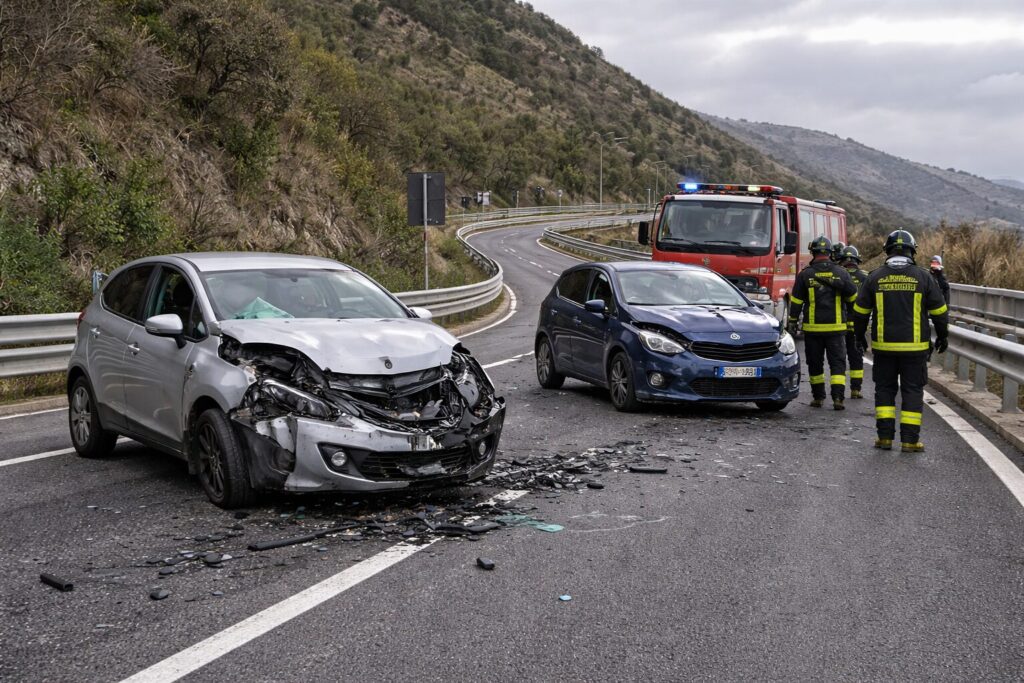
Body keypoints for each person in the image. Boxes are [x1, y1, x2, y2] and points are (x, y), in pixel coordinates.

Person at [853, 229, 949, 453]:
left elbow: (859, 312)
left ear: (887, 251)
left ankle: (884, 438)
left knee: (884, 390)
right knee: (912, 391)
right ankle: (909, 441)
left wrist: (859, 338)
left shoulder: (874, 277)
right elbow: (940, 312)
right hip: (915, 350)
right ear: (912, 251)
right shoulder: (924, 277)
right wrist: (943, 337)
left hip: (884, 349)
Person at [788, 236, 858, 409]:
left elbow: (796, 302)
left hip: (813, 330)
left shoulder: (805, 274)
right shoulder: (841, 273)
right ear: (830, 253)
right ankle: (838, 399)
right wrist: (851, 321)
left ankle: (818, 398)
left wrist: (792, 322)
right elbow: (853, 298)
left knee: (815, 363)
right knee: (837, 364)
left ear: (813, 252)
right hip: (836, 329)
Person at [839, 245, 870, 398]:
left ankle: (838, 392)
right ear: (857, 260)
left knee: (838, 358)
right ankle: (855, 390)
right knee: (856, 357)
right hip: (858, 325)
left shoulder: (838, 275)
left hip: (838, 325)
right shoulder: (865, 277)